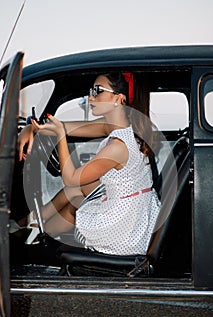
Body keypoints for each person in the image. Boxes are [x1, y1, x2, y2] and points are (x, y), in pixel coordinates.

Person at [17, 72, 160, 255]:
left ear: (118, 98)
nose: (90, 96)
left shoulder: (118, 147)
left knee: (75, 194)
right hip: (134, 213)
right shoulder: (120, 128)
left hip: (126, 229)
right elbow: (65, 126)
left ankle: (34, 244)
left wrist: (61, 137)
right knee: (76, 192)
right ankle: (32, 226)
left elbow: (71, 178)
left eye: (97, 91)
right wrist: (31, 128)